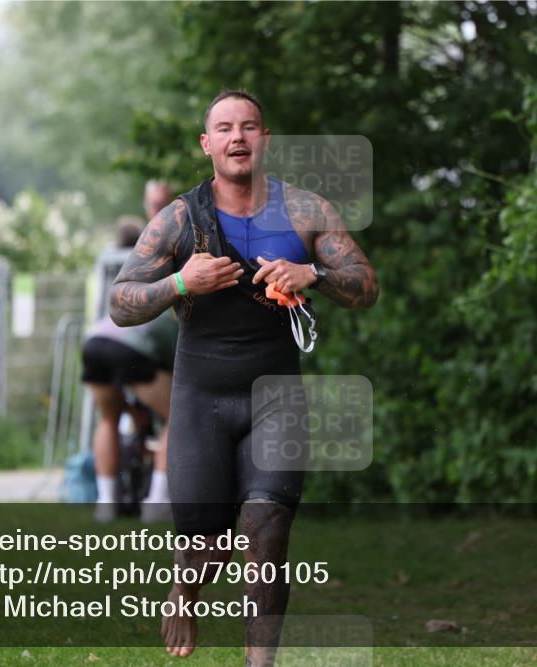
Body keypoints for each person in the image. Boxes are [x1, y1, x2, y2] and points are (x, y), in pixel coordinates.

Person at [109, 90, 378, 665]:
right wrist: (182, 283)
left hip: (275, 397)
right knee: (205, 546)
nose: (238, 138)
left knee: (267, 527)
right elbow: (121, 303)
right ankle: (186, 588)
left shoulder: (306, 211)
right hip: (200, 396)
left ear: (265, 140)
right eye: (225, 129)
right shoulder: (181, 219)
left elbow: (365, 285)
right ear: (207, 144)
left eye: (249, 127)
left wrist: (315, 274)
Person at [83, 182, 177, 523]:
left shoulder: (119, 282)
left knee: (108, 419)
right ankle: (156, 502)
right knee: (177, 416)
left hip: (95, 343)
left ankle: (106, 504)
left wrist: (136, 408)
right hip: (130, 345)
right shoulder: (164, 305)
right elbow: (166, 363)